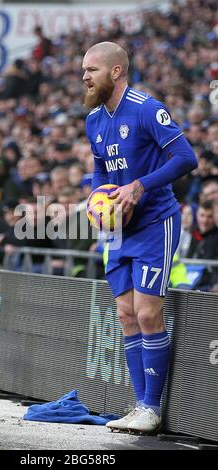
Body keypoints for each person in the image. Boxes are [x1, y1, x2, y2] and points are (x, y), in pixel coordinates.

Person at [82, 42, 198, 433]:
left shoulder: (147, 108)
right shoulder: (94, 120)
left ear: (116, 71)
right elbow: (100, 170)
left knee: (148, 313)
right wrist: (96, 197)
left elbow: (186, 158)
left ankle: (151, 407)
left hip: (155, 222)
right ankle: (139, 406)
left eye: (92, 69)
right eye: (83, 70)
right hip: (118, 229)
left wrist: (139, 187)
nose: (85, 76)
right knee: (125, 315)